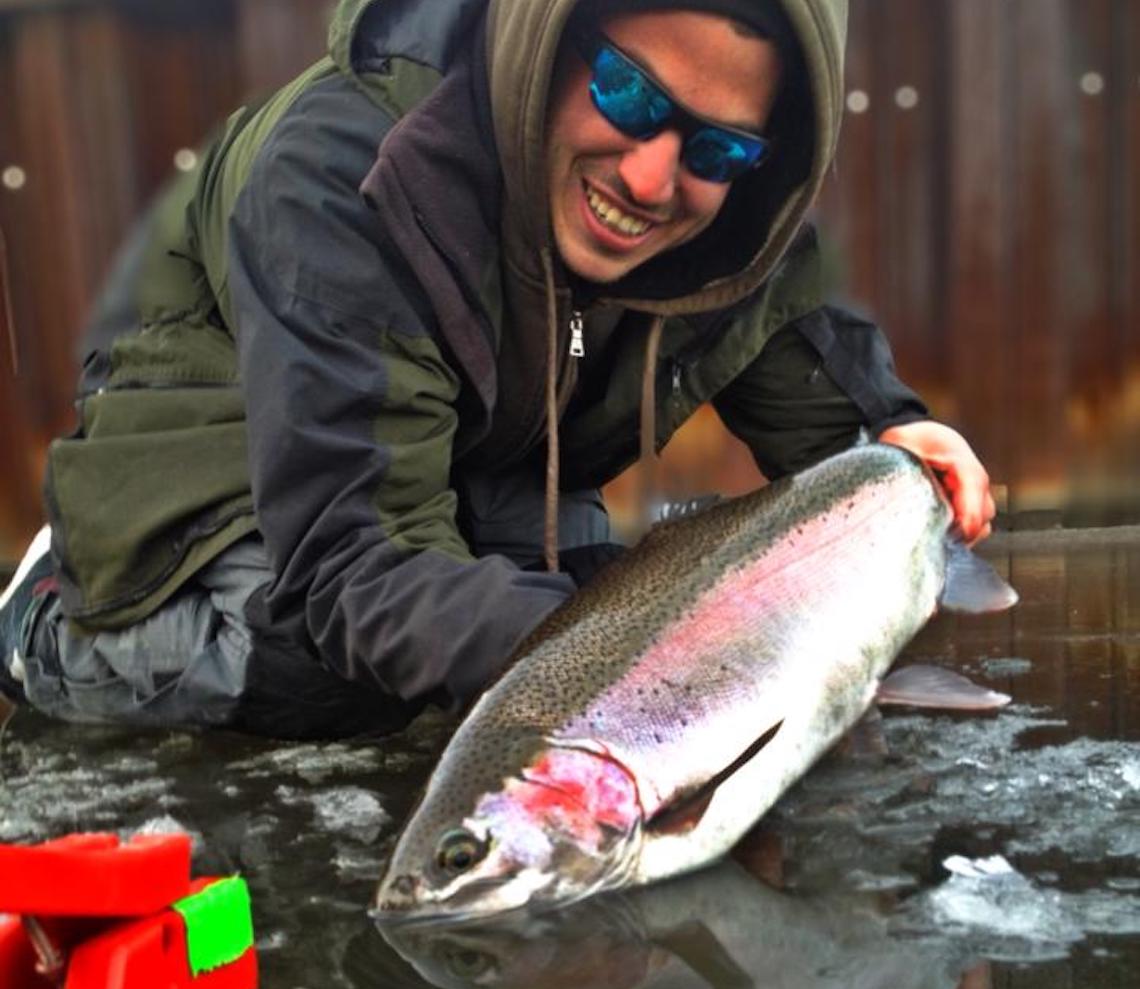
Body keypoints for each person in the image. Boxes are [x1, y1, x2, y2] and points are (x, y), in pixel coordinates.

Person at [0, 0, 995, 739]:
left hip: (456, 457)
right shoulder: (338, 172)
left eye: (718, 150)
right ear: (546, 43)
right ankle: (46, 623)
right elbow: (356, 564)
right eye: (627, 94)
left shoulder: (718, 214)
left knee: (589, 587)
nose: (651, 179)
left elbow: (786, 331)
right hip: (225, 457)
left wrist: (888, 438)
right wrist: (642, 673)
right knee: (330, 666)